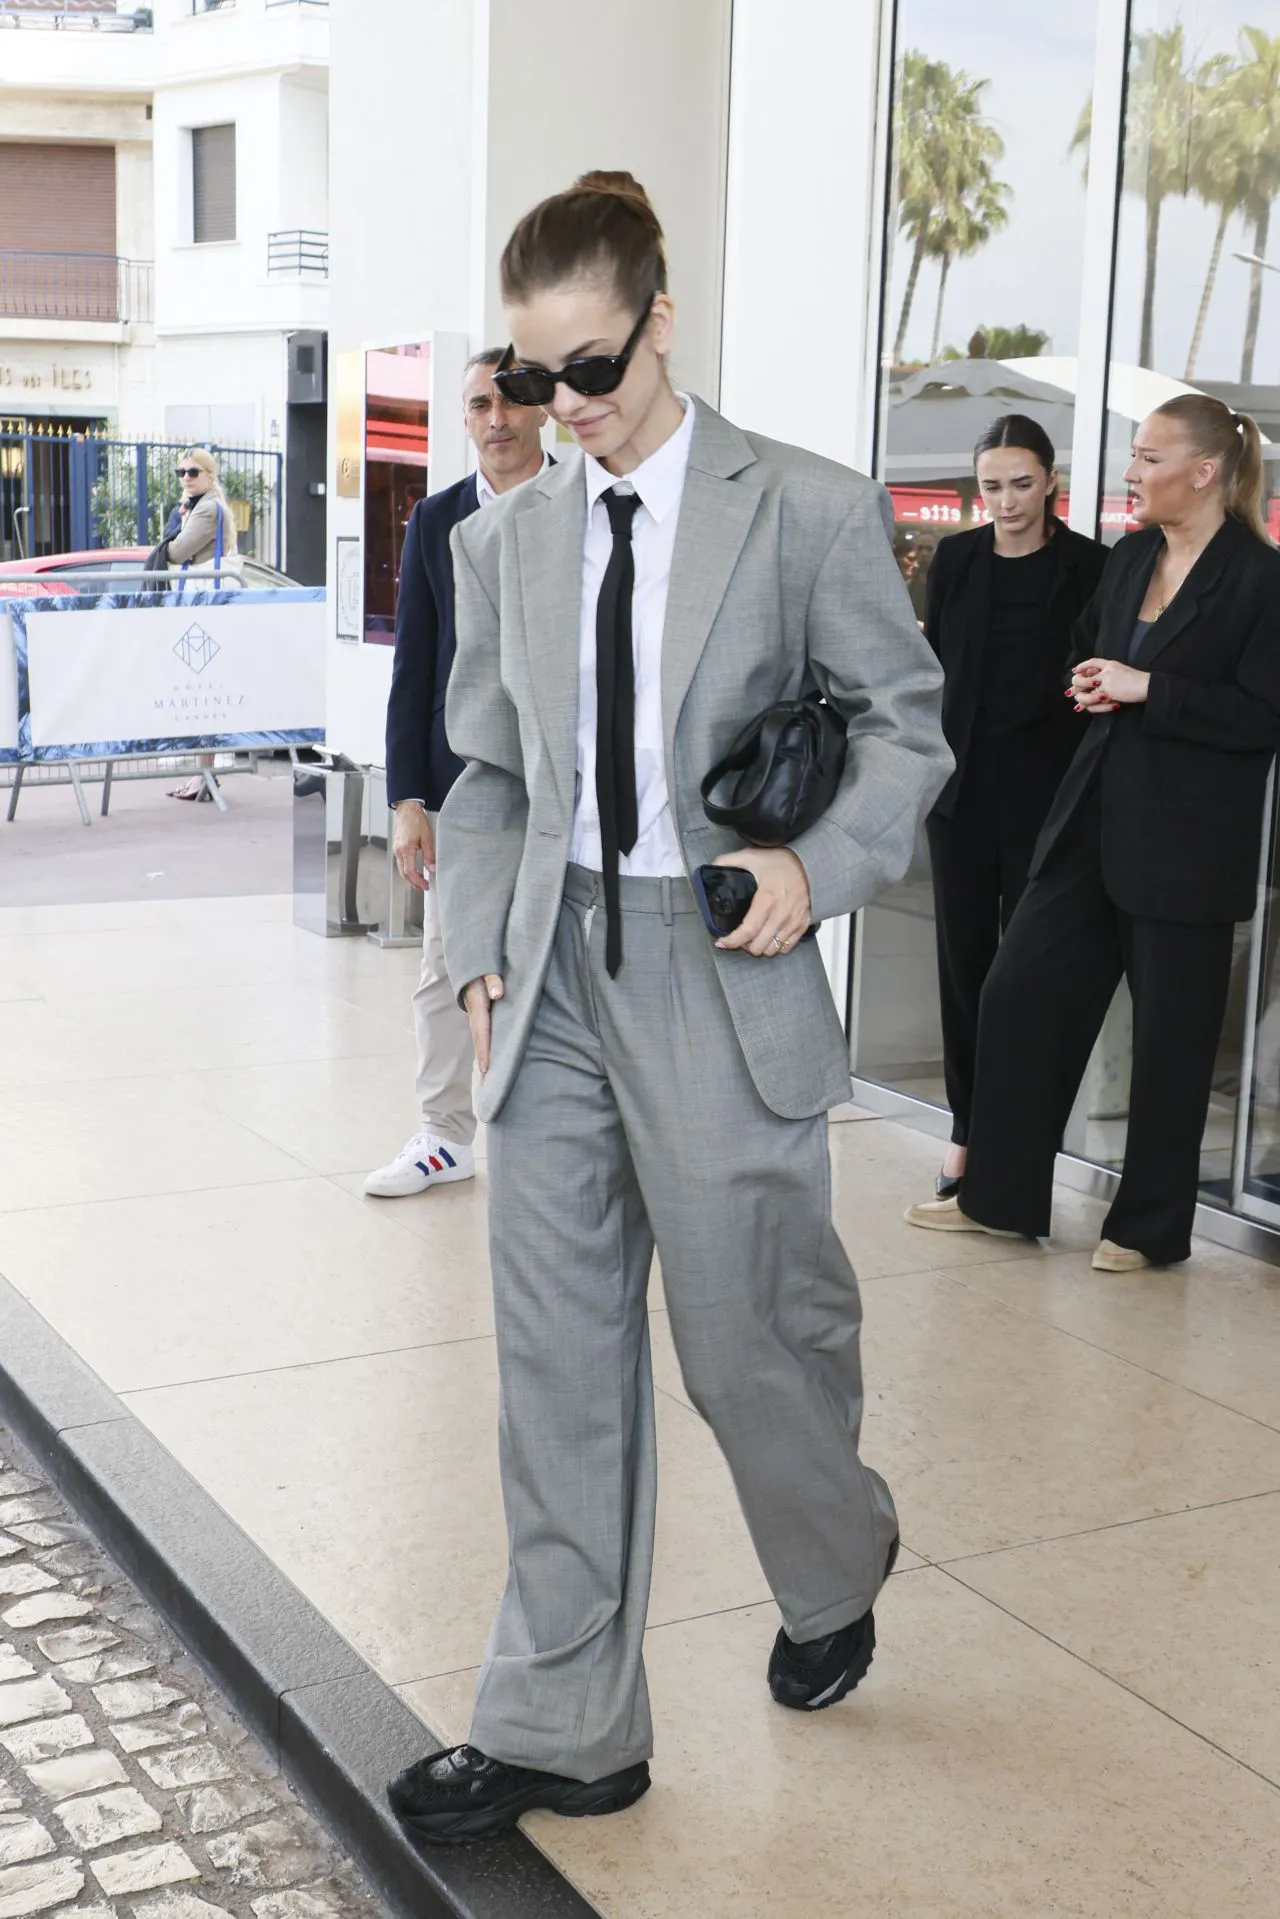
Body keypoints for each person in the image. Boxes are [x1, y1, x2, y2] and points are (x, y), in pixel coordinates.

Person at [386, 170, 952, 1847]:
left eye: (596, 369)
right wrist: (481, 934)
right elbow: (492, 765)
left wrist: (816, 864)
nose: (570, 408)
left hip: (723, 953)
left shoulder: (808, 508)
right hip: (557, 962)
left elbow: (906, 729)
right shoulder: (512, 538)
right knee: (555, 1355)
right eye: (537, 375)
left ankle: (835, 1554)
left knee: (743, 1334)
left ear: (662, 318)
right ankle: (566, 1721)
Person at [906, 394, 1280, 1271]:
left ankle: (1146, 1231)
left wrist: (1150, 688)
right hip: (1089, 822)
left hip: (1187, 843)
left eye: (1149, 457)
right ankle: (998, 1195)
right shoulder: (1134, 556)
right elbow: (1090, 643)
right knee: (1017, 993)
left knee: (1173, 1046)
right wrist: (1095, 681)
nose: (1131, 472)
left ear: (1204, 472)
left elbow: (1265, 713)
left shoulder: (1261, 579)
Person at [364, 353, 549, 1198]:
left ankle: (547, 1131)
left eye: (512, 402)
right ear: (464, 416)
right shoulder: (436, 520)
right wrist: (408, 798)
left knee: (553, 961)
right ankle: (444, 1132)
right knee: (446, 958)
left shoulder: (583, 509)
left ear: (542, 410)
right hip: (461, 787)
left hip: (560, 785)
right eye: (480, 404)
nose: (498, 418)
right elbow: (416, 667)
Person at [923, 418, 1106, 1200]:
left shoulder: (1093, 567)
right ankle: (967, 1132)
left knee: (1024, 978)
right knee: (964, 971)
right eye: (992, 485)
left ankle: (1017, 1144)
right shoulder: (955, 560)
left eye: (1021, 483)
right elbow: (930, 671)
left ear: (1050, 482)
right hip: (961, 799)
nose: (1006, 500)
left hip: (1048, 801)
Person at [164, 448, 239, 801]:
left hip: (204, 605)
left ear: (209, 475)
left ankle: (203, 775)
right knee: (203, 689)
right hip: (206, 605)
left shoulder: (208, 508)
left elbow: (176, 551)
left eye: (193, 472)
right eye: (181, 473)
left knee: (201, 686)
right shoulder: (205, 506)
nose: (186, 478)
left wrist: (175, 524)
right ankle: (202, 774)